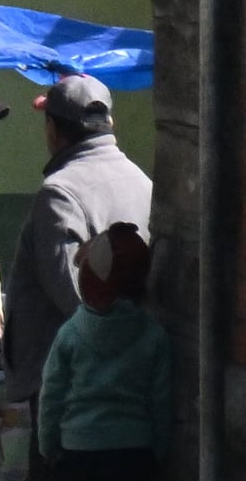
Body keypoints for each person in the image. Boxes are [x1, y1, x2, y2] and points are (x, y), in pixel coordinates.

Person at [33, 224, 167, 481]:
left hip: (76, 449)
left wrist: (48, 442)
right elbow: (160, 398)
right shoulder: (153, 335)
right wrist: (157, 449)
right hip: (132, 450)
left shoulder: (72, 332)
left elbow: (52, 392)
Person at [19, 73, 154, 361]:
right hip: (135, 362)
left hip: (76, 375)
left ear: (52, 129)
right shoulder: (143, 182)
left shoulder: (59, 194)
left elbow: (74, 299)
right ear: (110, 124)